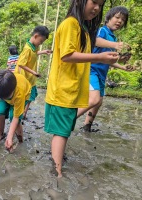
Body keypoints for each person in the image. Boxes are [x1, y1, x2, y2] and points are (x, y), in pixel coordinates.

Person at [44, 0, 119, 178]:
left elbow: (83, 56)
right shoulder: (71, 23)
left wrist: (104, 58)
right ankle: (57, 174)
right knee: (61, 133)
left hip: (73, 90)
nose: (96, 8)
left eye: (100, 5)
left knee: (65, 131)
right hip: (62, 89)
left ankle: (57, 161)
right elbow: (67, 55)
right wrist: (100, 57)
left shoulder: (84, 29)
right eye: (94, 2)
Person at [77, 6, 134, 131]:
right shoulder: (102, 30)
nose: (119, 21)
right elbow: (94, 41)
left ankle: (87, 126)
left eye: (123, 20)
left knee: (99, 101)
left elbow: (108, 60)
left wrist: (123, 67)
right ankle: (68, 121)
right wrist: (115, 45)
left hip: (101, 74)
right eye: (117, 17)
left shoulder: (113, 37)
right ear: (108, 18)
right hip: (91, 70)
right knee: (94, 99)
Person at [15, 26, 52, 119]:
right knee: (26, 97)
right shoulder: (27, 48)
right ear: (36, 36)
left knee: (30, 96)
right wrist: (34, 72)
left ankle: (23, 114)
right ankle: (19, 114)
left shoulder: (33, 47)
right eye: (41, 41)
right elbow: (20, 64)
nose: (40, 43)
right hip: (25, 78)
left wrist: (43, 51)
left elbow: (34, 54)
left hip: (30, 79)